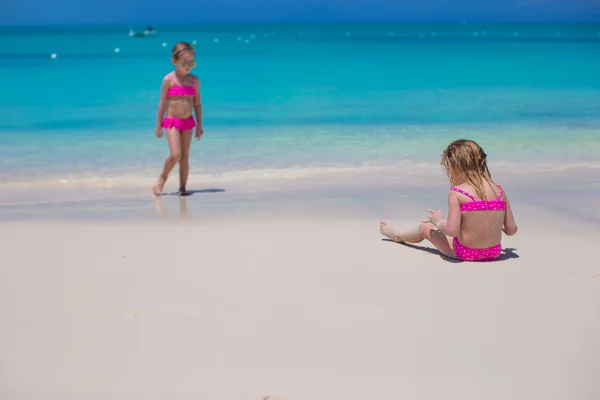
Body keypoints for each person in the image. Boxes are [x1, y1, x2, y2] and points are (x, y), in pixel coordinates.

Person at [380, 139, 517, 261]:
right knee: (445, 229)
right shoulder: (499, 191)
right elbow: (511, 230)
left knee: (425, 227)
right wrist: (492, 222)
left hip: (466, 253)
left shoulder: (457, 192)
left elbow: (452, 231)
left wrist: (438, 221)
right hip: (494, 252)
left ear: (454, 167)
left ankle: (397, 235)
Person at [153, 41, 204, 196]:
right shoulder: (168, 80)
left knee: (185, 157)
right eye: (184, 63)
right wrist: (158, 125)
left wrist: (200, 125)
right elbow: (162, 104)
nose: (188, 66)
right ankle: (163, 177)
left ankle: (182, 189)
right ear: (174, 61)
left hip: (188, 122)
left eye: (191, 63)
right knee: (176, 154)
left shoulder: (194, 81)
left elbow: (197, 104)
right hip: (172, 122)